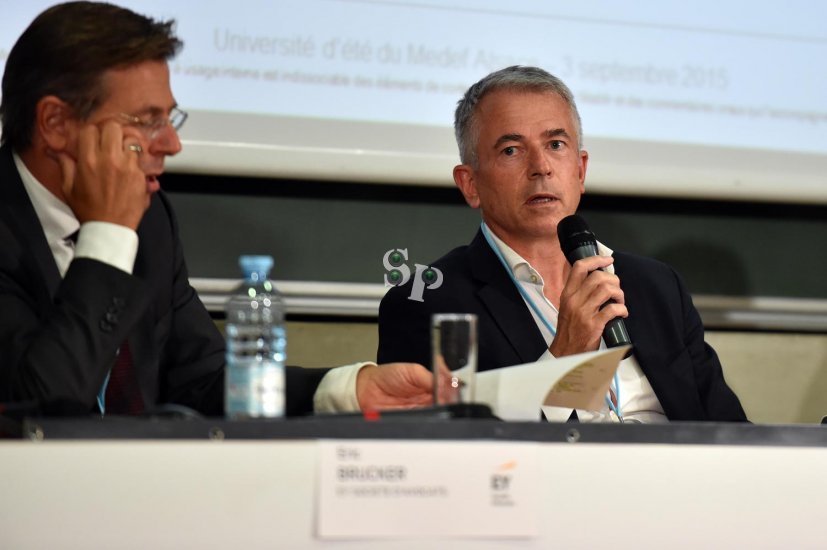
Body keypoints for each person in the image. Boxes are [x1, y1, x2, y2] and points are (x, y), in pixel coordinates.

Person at [0, 1, 433, 417]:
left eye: (170, 118)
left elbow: (202, 379)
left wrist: (347, 390)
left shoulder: (151, 220)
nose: (172, 144)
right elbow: (38, 408)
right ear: (55, 124)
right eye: (146, 121)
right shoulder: (110, 222)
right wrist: (108, 236)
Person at [378, 65, 748, 423]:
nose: (541, 166)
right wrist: (564, 360)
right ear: (470, 184)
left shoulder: (658, 286)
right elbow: (445, 449)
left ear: (580, 170)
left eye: (556, 144)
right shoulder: (426, 303)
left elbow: (729, 431)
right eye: (511, 150)